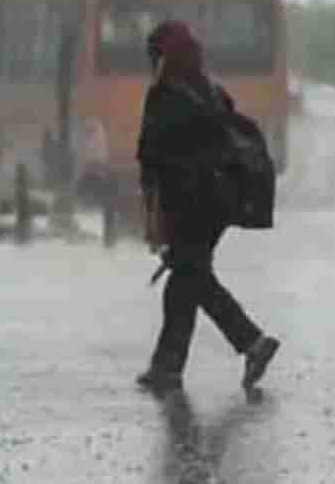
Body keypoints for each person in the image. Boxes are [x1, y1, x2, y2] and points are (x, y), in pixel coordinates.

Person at [135, 20, 281, 393]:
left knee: (191, 275)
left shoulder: (164, 95)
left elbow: (150, 158)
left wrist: (152, 214)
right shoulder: (211, 91)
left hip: (186, 203)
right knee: (186, 278)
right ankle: (166, 367)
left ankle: (251, 341)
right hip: (218, 203)